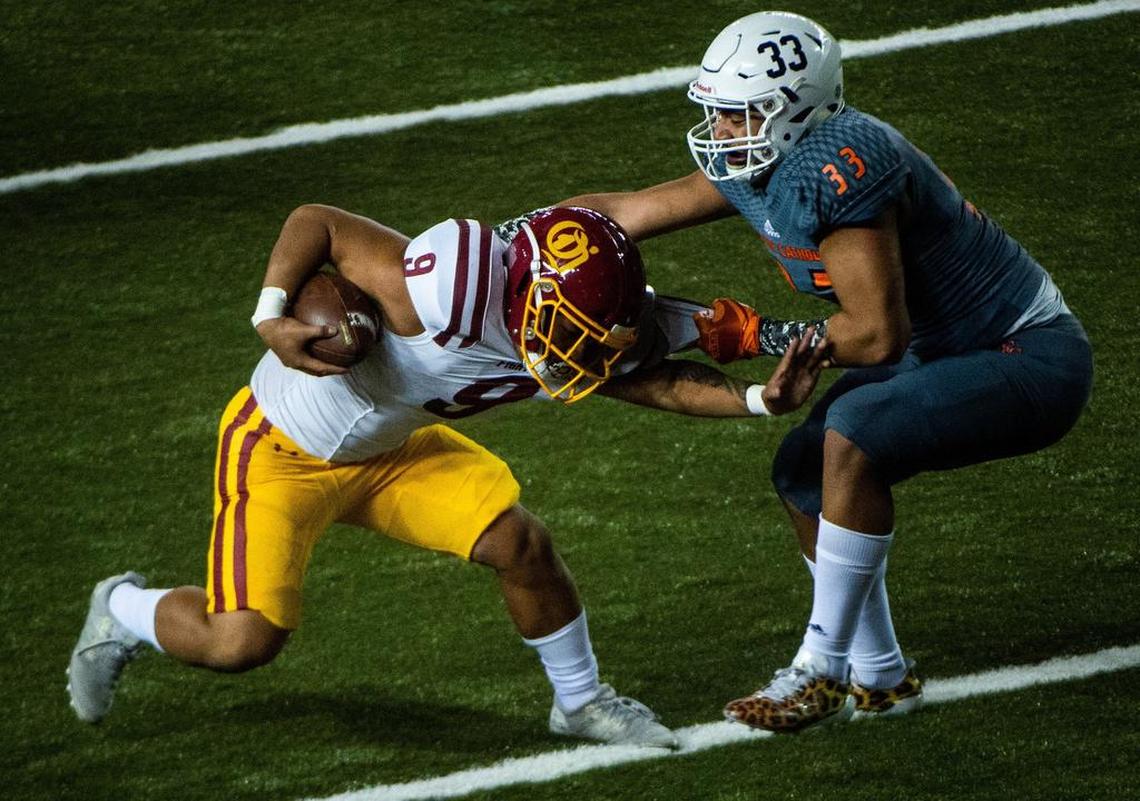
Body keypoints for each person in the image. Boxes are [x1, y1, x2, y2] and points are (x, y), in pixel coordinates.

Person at [67, 204, 828, 746]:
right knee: (242, 642)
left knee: (520, 544)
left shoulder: (585, 324)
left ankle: (580, 703)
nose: (581, 355)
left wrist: (760, 400)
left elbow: (648, 380)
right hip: (279, 450)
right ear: (531, 296)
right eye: (572, 332)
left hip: (392, 449)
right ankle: (122, 608)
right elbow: (317, 223)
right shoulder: (436, 291)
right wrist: (271, 315)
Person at [559, 10, 1093, 733]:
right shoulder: (759, 162)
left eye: (741, 112)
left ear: (797, 109)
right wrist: (521, 245)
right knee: (803, 470)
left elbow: (875, 336)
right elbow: (623, 211)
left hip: (1024, 352)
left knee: (853, 428)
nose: (722, 129)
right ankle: (882, 674)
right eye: (719, 111)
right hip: (943, 349)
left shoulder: (836, 165)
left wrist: (756, 335)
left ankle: (821, 668)